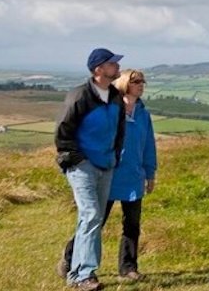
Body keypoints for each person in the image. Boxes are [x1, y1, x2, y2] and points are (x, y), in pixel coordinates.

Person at [61, 69, 158, 282]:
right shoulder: (112, 109)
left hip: (134, 176)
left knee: (132, 224)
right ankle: (70, 258)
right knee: (96, 221)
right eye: (136, 81)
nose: (141, 85)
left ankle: (128, 268)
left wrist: (150, 173)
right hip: (110, 174)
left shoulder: (143, 113)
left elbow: (148, 145)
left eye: (143, 81)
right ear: (124, 83)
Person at [55, 48, 126, 291]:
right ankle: (82, 275)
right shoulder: (80, 96)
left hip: (106, 164)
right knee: (92, 215)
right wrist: (77, 160)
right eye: (112, 64)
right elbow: (63, 133)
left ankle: (78, 267)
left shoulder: (115, 95)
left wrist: (114, 156)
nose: (117, 67)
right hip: (82, 165)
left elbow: (119, 130)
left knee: (94, 218)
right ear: (99, 70)